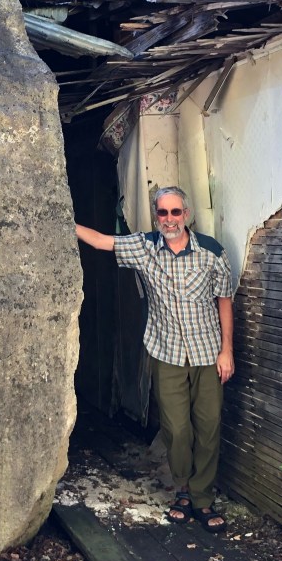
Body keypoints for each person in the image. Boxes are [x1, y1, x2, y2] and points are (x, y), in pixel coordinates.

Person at [75, 186, 234, 533]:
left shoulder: (211, 251)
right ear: (156, 216)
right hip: (167, 352)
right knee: (176, 429)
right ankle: (183, 490)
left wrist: (227, 350)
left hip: (208, 353)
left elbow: (224, 300)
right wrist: (63, 222)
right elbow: (101, 241)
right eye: (163, 212)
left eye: (175, 212)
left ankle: (202, 498)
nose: (169, 219)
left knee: (208, 427)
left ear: (186, 214)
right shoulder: (145, 247)